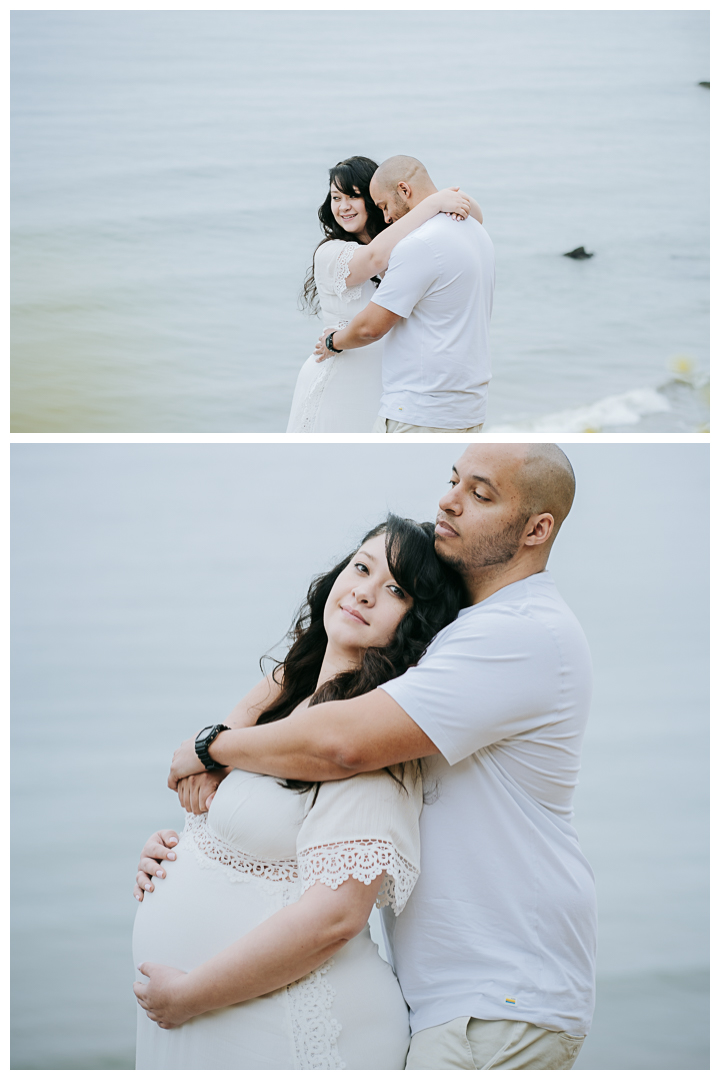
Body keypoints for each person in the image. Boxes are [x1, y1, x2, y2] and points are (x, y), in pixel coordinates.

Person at [157, 443, 597, 1070]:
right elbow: (329, 667)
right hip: (452, 997)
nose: (448, 500)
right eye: (452, 480)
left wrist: (211, 748)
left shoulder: (519, 634)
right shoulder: (469, 626)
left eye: (480, 493)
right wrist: (197, 845)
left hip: (498, 996)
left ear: (537, 529)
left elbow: (344, 744)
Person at [132, 516, 465, 1069]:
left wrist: (191, 996)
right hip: (220, 1013)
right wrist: (180, 855)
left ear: (416, 621)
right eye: (361, 568)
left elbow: (335, 917)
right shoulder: (292, 704)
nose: (363, 590)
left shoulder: (366, 745)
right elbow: (256, 836)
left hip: (285, 1023)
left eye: (395, 590)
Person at [286, 156, 482, 432]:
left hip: (387, 387)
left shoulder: (403, 244)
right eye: (335, 197)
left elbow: (476, 215)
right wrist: (433, 204)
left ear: (374, 199)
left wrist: (435, 196)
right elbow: (373, 259)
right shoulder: (330, 253)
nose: (343, 207)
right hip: (341, 378)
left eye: (353, 197)